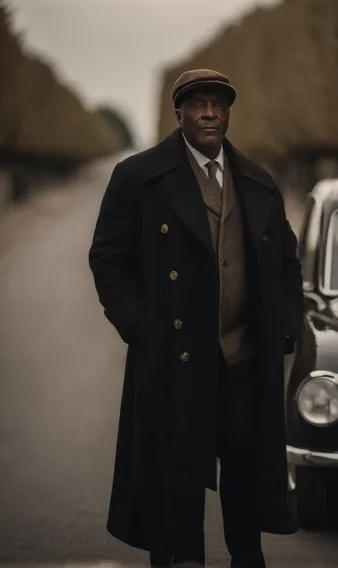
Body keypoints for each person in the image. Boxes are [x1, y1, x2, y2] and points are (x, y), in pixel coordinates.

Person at [88, 68, 304, 567]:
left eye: (218, 104)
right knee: (174, 488)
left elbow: (287, 263)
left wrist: (285, 325)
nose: (210, 113)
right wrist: (141, 329)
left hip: (243, 360)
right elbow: (107, 260)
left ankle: (247, 559)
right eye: (198, 104)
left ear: (228, 112)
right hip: (173, 363)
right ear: (179, 113)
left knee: (246, 489)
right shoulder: (139, 177)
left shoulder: (258, 181)